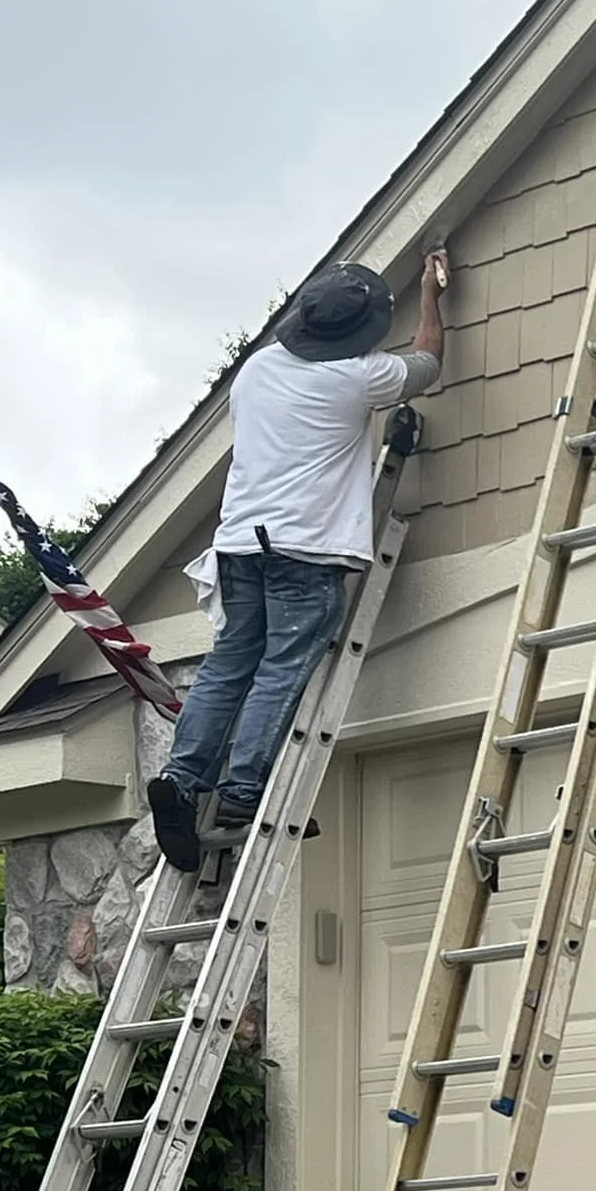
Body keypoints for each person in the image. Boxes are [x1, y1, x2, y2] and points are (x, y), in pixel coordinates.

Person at [147, 252, 448, 872]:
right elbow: (428, 360)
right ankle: (243, 792)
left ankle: (180, 781)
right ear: (358, 333)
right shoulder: (359, 379)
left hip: (238, 544)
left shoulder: (257, 370)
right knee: (282, 667)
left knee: (230, 664)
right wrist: (430, 294)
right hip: (304, 550)